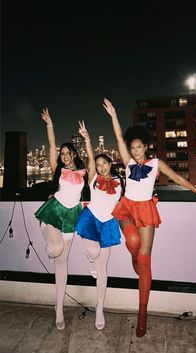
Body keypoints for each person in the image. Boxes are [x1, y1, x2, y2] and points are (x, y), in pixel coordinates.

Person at [103, 98, 196, 338]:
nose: (134, 151)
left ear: (146, 146)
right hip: (127, 208)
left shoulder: (156, 164)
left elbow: (179, 179)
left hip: (146, 210)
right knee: (132, 241)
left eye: (138, 147)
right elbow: (119, 139)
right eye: (132, 148)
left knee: (146, 262)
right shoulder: (129, 163)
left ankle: (142, 312)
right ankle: (133, 256)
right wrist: (113, 114)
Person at [35, 108, 87, 331]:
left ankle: (59, 309)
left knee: (62, 265)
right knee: (55, 250)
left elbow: (95, 164)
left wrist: (88, 139)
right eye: (62, 153)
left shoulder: (83, 170)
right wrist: (50, 124)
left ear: (74, 154)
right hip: (53, 212)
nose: (65, 155)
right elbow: (51, 144)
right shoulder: (59, 168)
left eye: (68, 152)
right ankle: (50, 251)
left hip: (71, 216)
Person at [75, 121, 123, 330]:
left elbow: (124, 204)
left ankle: (99, 308)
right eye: (99, 164)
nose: (102, 166)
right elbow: (89, 158)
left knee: (103, 270)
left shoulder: (120, 181)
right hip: (91, 219)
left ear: (110, 165)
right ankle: (90, 259)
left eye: (105, 163)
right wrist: (87, 139)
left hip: (108, 223)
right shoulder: (93, 179)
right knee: (93, 254)